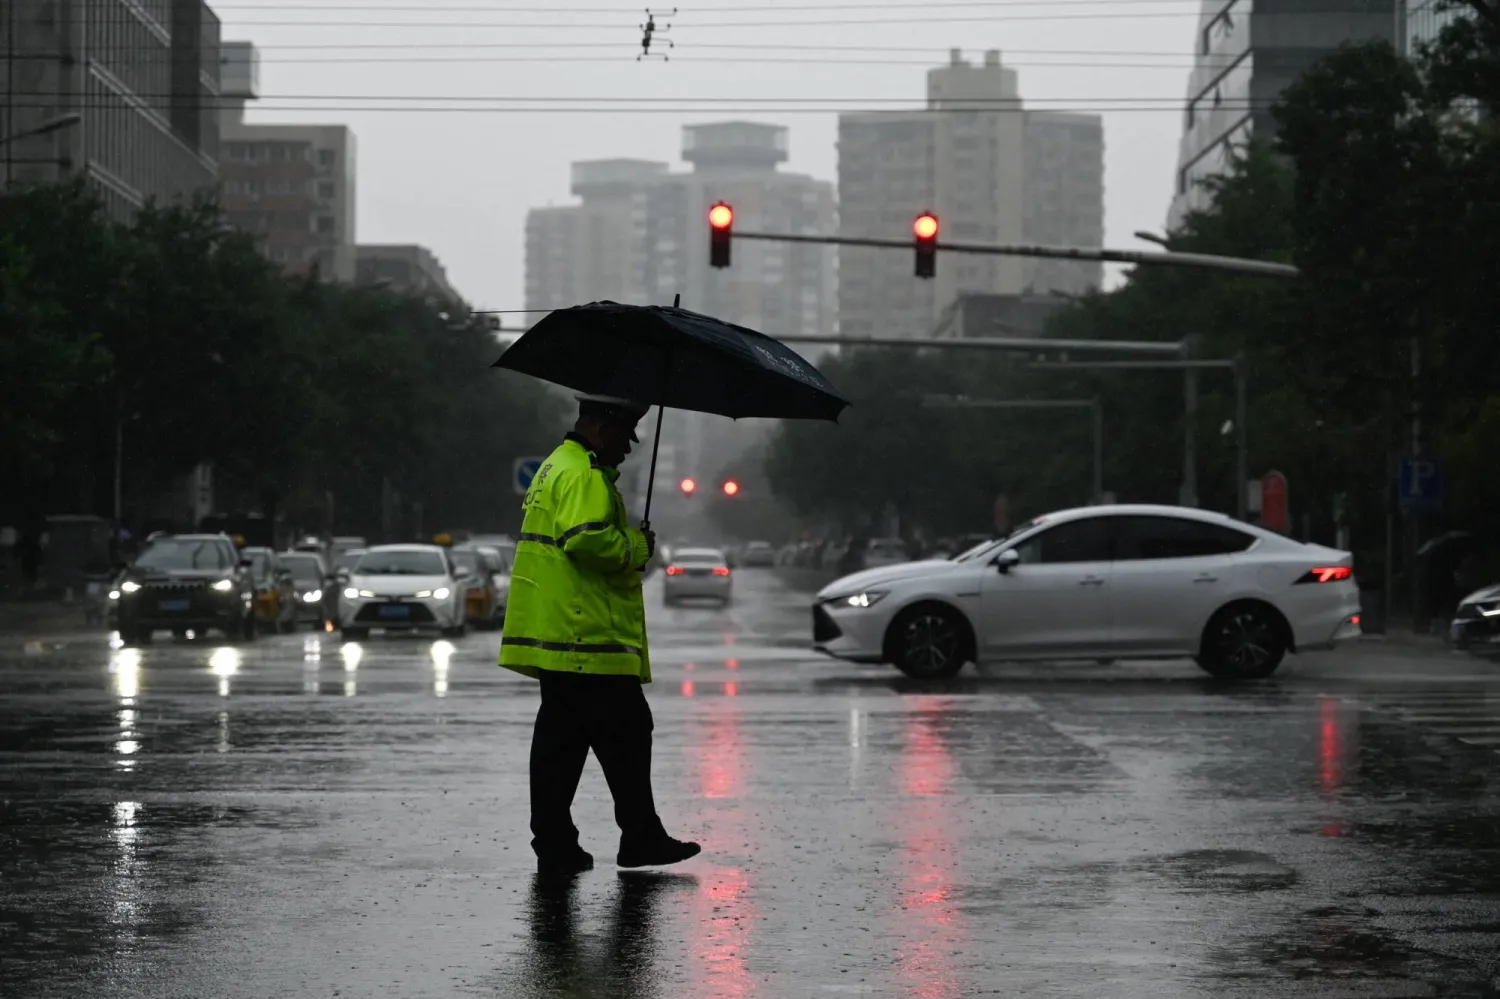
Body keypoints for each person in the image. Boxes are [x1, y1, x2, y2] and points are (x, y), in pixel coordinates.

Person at [500, 393, 702, 875]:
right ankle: (639, 838)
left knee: (561, 742)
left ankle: (557, 842)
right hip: (586, 634)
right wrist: (635, 544)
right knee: (629, 730)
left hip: (561, 634)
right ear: (598, 425)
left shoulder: (555, 466)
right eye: (622, 435)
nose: (627, 448)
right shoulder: (583, 473)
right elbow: (585, 538)